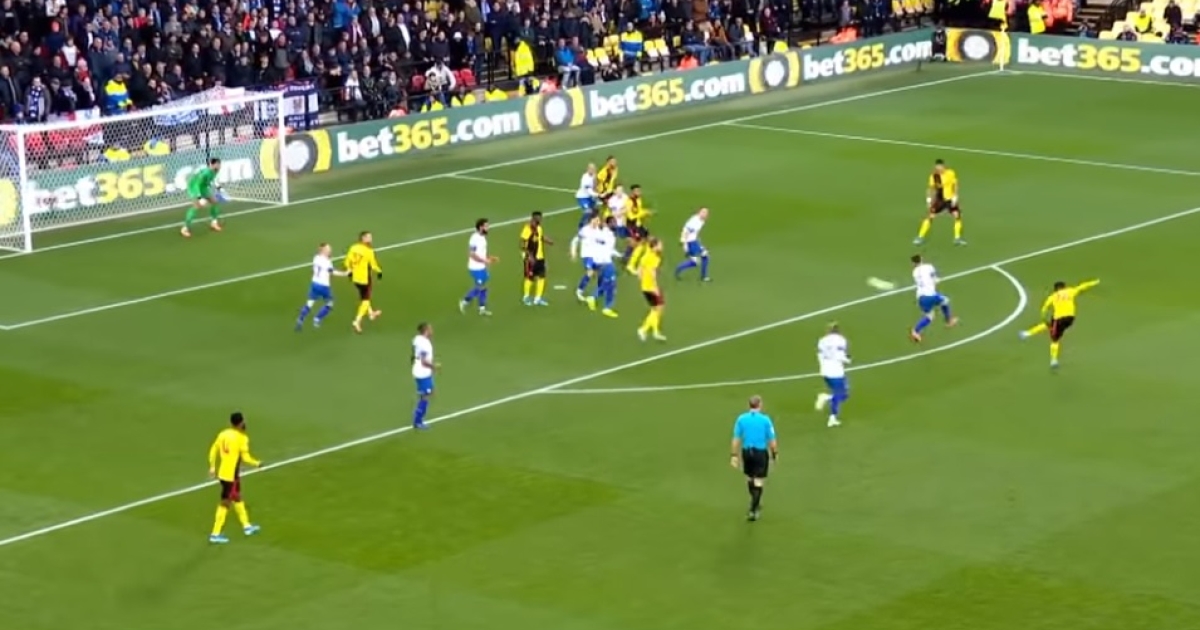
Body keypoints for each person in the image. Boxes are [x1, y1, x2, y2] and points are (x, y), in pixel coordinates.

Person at [1019, 279, 1100, 369]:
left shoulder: (1053, 296)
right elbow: (1082, 287)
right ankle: (1027, 333)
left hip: (1059, 319)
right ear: (1064, 287)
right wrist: (1094, 282)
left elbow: (1045, 307)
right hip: (1070, 318)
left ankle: (1054, 360)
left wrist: (1043, 315)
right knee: (1049, 325)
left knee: (1054, 339)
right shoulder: (1070, 291)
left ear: (1055, 289)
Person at [207, 411, 262, 544]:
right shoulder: (242, 438)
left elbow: (213, 449)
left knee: (237, 497)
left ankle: (246, 526)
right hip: (230, 476)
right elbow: (246, 458)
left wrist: (212, 466)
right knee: (225, 503)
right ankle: (215, 534)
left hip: (224, 473)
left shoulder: (223, 434)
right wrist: (257, 463)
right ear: (241, 422)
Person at [730, 395, 778, 522]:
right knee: (758, 481)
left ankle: (754, 501)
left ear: (749, 405)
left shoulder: (741, 419)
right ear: (760, 405)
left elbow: (736, 438)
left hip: (747, 452)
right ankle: (753, 509)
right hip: (760, 453)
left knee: (750, 478)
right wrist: (775, 453)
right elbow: (772, 440)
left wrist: (734, 455)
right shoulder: (766, 420)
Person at [296, 243, 347, 331]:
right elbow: (332, 272)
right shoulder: (327, 262)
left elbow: (315, 269)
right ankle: (317, 319)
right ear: (323, 251)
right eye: (328, 249)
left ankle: (300, 319)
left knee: (310, 303)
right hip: (324, 286)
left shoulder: (316, 258)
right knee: (330, 303)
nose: (330, 250)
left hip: (314, 283)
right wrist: (344, 274)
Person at [914, 159, 964, 246]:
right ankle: (920, 237)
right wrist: (929, 199)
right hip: (939, 200)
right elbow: (930, 188)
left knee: (957, 216)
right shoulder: (934, 176)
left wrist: (955, 196)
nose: (939, 169)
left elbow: (955, 184)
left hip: (950, 199)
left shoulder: (950, 173)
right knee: (930, 216)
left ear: (944, 166)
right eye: (937, 167)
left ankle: (957, 238)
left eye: (940, 167)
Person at [910, 255, 957, 342]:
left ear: (913, 263)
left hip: (921, 297)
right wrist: (936, 279)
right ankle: (949, 321)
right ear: (921, 259)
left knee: (929, 316)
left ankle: (915, 331)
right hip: (931, 295)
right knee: (945, 301)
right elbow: (936, 279)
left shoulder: (914, 272)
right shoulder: (929, 266)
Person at [345, 231, 383, 333]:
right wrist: (379, 271)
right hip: (365, 278)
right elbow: (373, 264)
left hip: (355, 277)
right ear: (364, 238)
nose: (371, 239)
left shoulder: (353, 247)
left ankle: (371, 313)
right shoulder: (368, 251)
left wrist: (349, 270)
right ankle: (357, 321)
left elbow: (347, 261)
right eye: (369, 237)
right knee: (366, 299)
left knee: (363, 295)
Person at [815, 323, 851, 427]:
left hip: (825, 371)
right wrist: (848, 360)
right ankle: (832, 417)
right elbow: (840, 355)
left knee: (840, 394)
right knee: (842, 395)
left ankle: (826, 398)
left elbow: (819, 355)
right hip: (836, 372)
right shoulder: (841, 340)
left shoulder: (822, 341)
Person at [586, 216, 621, 318]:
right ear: (608, 224)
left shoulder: (601, 232)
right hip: (605, 261)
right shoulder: (609, 235)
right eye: (613, 222)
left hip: (597, 260)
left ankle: (599, 300)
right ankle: (600, 302)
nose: (615, 224)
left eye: (615, 222)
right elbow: (610, 250)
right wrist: (620, 255)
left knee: (608, 283)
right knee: (611, 284)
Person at [461, 219, 497, 316]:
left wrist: (489, 257)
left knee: (483, 288)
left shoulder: (483, 237)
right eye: (486, 226)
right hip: (475, 268)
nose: (488, 228)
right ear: (481, 227)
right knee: (480, 288)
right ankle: (464, 301)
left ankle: (482, 308)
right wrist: (485, 261)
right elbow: (472, 254)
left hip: (482, 267)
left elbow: (481, 252)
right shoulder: (474, 238)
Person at [181, 158, 223, 238]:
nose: (219, 166)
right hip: (194, 187)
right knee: (197, 206)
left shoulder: (215, 171)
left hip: (203, 187)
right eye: (217, 164)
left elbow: (212, 180)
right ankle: (185, 228)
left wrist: (219, 188)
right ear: (212, 165)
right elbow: (197, 184)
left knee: (214, 202)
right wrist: (199, 197)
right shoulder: (205, 173)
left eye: (219, 164)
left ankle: (214, 223)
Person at [636, 237, 666, 341]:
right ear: (654, 247)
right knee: (659, 308)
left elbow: (639, 270)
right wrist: (654, 287)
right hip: (651, 287)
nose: (661, 247)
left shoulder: (646, 255)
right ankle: (643, 329)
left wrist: (642, 280)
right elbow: (653, 274)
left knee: (655, 309)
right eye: (659, 245)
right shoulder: (655, 258)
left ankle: (655, 332)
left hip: (645, 287)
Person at [520, 211, 552, 306]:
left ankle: (537, 299)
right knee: (529, 277)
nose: (541, 219)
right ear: (534, 218)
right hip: (530, 258)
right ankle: (526, 297)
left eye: (541, 218)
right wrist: (529, 257)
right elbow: (522, 243)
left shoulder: (539, 228)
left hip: (540, 257)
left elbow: (540, 237)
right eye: (539, 218)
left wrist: (547, 240)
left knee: (542, 277)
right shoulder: (527, 228)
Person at [411, 322, 437, 429]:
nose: (432, 330)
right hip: (423, 372)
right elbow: (424, 361)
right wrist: (434, 367)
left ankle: (418, 415)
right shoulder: (425, 344)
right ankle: (418, 421)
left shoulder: (417, 339)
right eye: (430, 329)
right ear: (426, 330)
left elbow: (414, 354)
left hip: (420, 370)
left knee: (430, 393)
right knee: (425, 396)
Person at [572, 213, 602, 302]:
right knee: (590, 272)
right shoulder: (585, 230)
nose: (598, 221)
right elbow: (575, 240)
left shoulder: (599, 230)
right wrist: (574, 252)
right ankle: (579, 291)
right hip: (587, 255)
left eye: (599, 220)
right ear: (591, 220)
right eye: (597, 220)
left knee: (600, 272)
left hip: (597, 255)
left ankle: (600, 290)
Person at [674, 207, 710, 281]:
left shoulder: (702, 221)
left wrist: (698, 240)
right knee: (695, 262)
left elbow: (695, 232)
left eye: (706, 213)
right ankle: (678, 268)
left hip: (694, 241)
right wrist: (685, 246)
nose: (705, 214)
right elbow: (685, 232)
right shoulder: (694, 221)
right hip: (690, 243)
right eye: (703, 212)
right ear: (699, 212)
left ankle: (704, 276)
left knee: (705, 256)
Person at [623, 185, 651, 273]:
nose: (639, 192)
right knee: (638, 244)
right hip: (632, 226)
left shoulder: (638, 200)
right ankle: (630, 265)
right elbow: (630, 216)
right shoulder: (629, 202)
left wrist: (646, 211)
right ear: (632, 192)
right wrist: (642, 214)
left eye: (639, 190)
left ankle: (628, 257)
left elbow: (639, 210)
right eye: (637, 191)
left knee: (647, 239)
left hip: (638, 224)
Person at [575, 163, 598, 228]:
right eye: (591, 168)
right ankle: (581, 225)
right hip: (583, 197)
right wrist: (597, 194)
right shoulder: (585, 178)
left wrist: (595, 180)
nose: (592, 170)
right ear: (587, 169)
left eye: (593, 169)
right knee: (588, 211)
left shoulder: (594, 176)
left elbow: (595, 187)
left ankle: (591, 226)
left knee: (595, 212)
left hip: (590, 197)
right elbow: (588, 190)